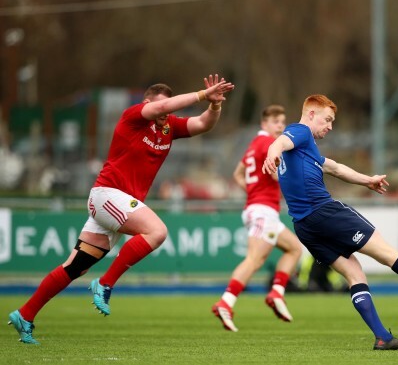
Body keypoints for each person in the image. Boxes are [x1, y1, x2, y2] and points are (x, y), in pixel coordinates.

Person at [8, 74, 235, 344]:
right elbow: (162, 108)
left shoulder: (168, 128)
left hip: (117, 204)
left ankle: (25, 314)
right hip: (108, 195)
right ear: (147, 103)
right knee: (157, 231)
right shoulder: (134, 116)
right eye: (164, 106)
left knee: (75, 267)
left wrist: (214, 105)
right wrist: (200, 95)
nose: (167, 113)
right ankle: (105, 283)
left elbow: (202, 124)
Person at [262, 94, 398, 350]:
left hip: (304, 226)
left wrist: (367, 180)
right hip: (325, 212)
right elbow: (280, 142)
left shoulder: (305, 150)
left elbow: (335, 168)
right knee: (388, 254)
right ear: (311, 114)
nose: (330, 126)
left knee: (354, 274)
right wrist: (272, 153)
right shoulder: (299, 131)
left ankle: (382, 337)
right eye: (328, 120)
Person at [212, 104, 302, 332]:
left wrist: (252, 190)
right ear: (264, 124)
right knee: (254, 259)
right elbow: (275, 174)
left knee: (293, 249)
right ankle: (226, 302)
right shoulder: (268, 144)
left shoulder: (254, 144)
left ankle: (277, 292)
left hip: (259, 208)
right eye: (276, 122)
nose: (280, 126)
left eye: (282, 122)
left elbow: (237, 173)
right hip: (263, 210)